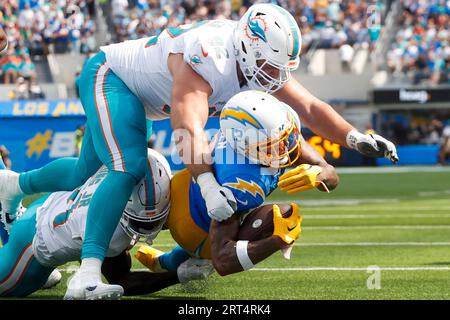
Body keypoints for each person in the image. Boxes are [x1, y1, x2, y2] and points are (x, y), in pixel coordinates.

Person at [0, 3, 397, 299]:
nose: (276, 77)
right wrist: (208, 187)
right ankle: (86, 276)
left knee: (81, 174)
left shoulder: (253, 58)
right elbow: (187, 129)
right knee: (129, 165)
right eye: (270, 66)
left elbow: (310, 107)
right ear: (247, 46)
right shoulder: (211, 54)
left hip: (139, 98)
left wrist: (353, 137)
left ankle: (12, 185)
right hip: (112, 76)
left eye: (280, 69)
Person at [135, 91, 338, 277]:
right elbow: (223, 261)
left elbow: (330, 172)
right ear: (247, 149)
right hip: (193, 226)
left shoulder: (268, 129)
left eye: (286, 137)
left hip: (182, 187)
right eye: (271, 146)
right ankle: (188, 259)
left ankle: (165, 260)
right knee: (283, 214)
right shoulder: (242, 182)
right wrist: (276, 240)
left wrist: (320, 174)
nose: (284, 147)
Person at [0, 149, 209, 298]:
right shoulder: (112, 236)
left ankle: (7, 188)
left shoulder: (123, 165)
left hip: (52, 201)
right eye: (140, 222)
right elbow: (123, 281)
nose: (148, 227)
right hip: (30, 247)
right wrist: (179, 275)